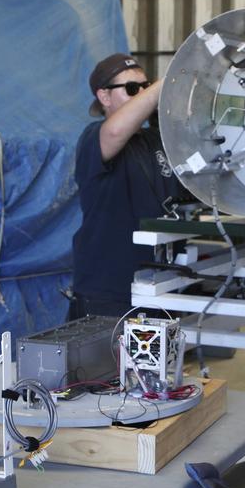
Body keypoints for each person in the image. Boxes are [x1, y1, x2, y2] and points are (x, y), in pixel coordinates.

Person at [69, 53, 184, 318]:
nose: (143, 94)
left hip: (159, 282)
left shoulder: (156, 139)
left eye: (145, 86)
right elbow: (114, 132)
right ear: (104, 97)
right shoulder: (93, 138)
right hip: (110, 289)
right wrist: (161, 86)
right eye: (133, 89)